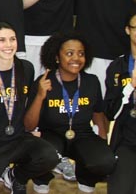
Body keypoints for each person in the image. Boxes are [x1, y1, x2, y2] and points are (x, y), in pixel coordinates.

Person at [0, 22, 58, 194]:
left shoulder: (26, 68)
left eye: (12, 39)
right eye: (1, 40)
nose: (8, 45)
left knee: (49, 156)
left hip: (18, 139)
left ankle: (16, 175)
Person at [24, 31, 116, 193]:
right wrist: (39, 96)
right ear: (57, 57)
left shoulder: (91, 82)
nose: (76, 58)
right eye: (69, 53)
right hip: (51, 134)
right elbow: (28, 125)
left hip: (82, 134)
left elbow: (98, 115)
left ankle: (86, 177)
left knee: (105, 161)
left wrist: (102, 142)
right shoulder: (44, 82)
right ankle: (42, 179)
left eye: (81, 53)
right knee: (43, 153)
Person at [105, 11, 136, 193]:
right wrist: (130, 88)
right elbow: (111, 111)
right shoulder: (118, 67)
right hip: (127, 140)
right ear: (127, 30)